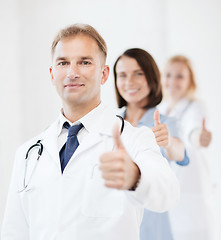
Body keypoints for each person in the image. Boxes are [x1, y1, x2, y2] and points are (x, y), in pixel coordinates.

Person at [1, 24, 180, 240]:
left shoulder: (134, 138)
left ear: (104, 74)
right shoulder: (28, 153)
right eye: (63, 63)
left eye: (84, 62)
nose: (72, 72)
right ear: (52, 74)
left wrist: (135, 177)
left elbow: (168, 193)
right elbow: (14, 231)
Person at [113, 48, 189, 240]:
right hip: (118, 227)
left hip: (153, 229)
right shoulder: (111, 124)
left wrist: (168, 142)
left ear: (151, 77)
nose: (129, 82)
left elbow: (181, 154)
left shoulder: (166, 123)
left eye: (138, 74)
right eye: (122, 75)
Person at [159, 55, 215, 240]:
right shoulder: (163, 108)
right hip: (170, 193)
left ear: (190, 80)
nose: (172, 81)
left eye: (180, 76)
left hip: (191, 190)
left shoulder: (195, 107)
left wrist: (200, 137)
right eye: (168, 75)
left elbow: (194, 131)